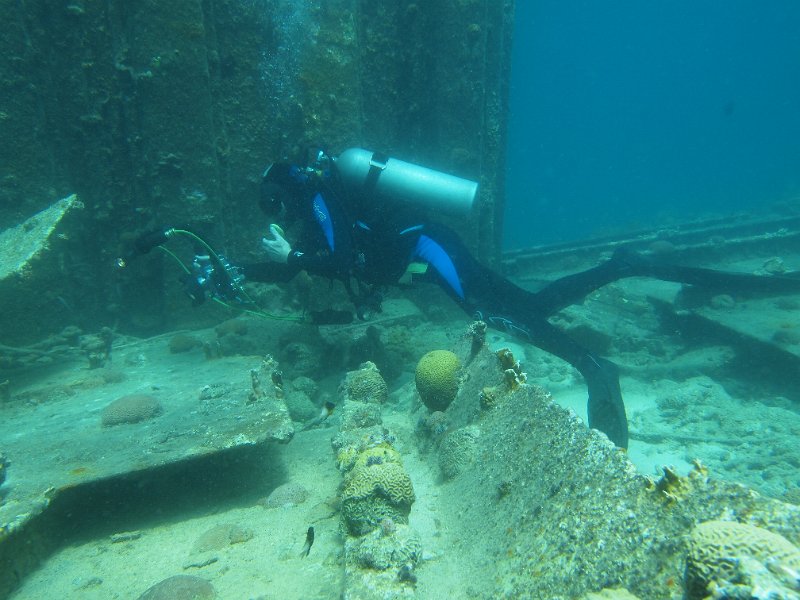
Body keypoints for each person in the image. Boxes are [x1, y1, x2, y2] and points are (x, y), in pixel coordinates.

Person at [239, 150, 800, 449]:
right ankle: (619, 268)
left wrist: (291, 257)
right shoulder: (314, 203)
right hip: (430, 252)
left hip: (429, 250)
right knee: (528, 308)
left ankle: (591, 365)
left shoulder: (313, 198)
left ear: (283, 190)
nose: (278, 214)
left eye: (274, 204)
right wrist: (257, 267)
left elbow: (338, 262)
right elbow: (334, 262)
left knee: (500, 313)